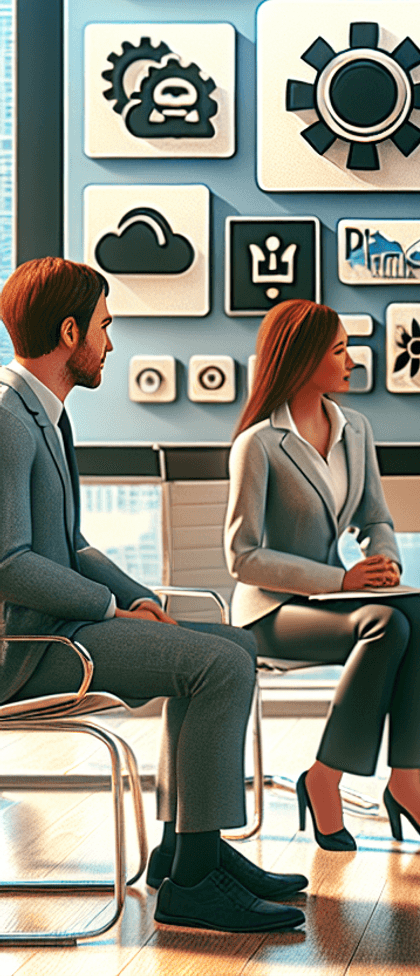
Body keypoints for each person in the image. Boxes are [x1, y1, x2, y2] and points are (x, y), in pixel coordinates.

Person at [0, 258, 305, 933]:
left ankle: (187, 847)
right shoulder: (6, 415)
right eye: (105, 328)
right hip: (25, 649)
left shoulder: (42, 411)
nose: (111, 344)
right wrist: (108, 609)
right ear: (70, 330)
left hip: (58, 627)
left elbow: (71, 545)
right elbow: (9, 563)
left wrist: (136, 598)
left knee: (230, 645)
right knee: (217, 665)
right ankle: (194, 882)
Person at [225, 299, 420, 851]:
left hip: (336, 599)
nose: (352, 359)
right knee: (386, 625)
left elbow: (375, 517)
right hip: (270, 613)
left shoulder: (354, 429)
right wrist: (343, 583)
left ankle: (407, 782)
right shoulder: (258, 445)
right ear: (304, 359)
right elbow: (243, 557)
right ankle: (324, 779)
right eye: (339, 350)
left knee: (418, 615)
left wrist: (386, 565)